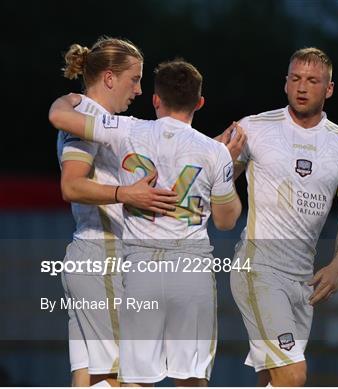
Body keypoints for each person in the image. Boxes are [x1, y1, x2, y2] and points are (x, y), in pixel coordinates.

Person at [49, 58, 244, 386]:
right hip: (170, 265)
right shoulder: (212, 151)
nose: (137, 90)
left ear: (157, 99)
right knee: (186, 377)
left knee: (113, 376)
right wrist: (226, 165)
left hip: (133, 265)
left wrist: (69, 100)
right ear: (199, 102)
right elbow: (226, 219)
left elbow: (58, 117)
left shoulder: (128, 129)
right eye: (133, 79)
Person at [230, 47, 338, 387]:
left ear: (329, 88)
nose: (302, 87)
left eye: (312, 80)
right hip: (258, 270)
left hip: (303, 283)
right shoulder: (254, 128)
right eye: (295, 79)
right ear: (286, 84)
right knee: (294, 375)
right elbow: (212, 184)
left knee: (273, 379)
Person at [57, 36, 178, 387]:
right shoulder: (86, 117)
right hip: (102, 256)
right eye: (134, 79)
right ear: (109, 78)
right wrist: (127, 194)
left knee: (91, 378)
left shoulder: (100, 120)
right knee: (128, 378)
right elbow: (71, 185)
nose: (139, 90)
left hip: (91, 258)